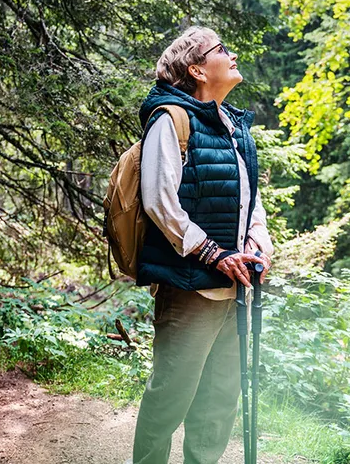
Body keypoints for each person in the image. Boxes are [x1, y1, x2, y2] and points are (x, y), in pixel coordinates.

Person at [131, 26, 274, 464]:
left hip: (235, 287)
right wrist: (213, 253)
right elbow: (159, 200)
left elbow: (250, 200)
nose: (232, 55)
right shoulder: (170, 119)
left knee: (218, 402)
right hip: (190, 286)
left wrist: (258, 240)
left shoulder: (232, 125)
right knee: (170, 397)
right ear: (196, 69)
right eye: (221, 49)